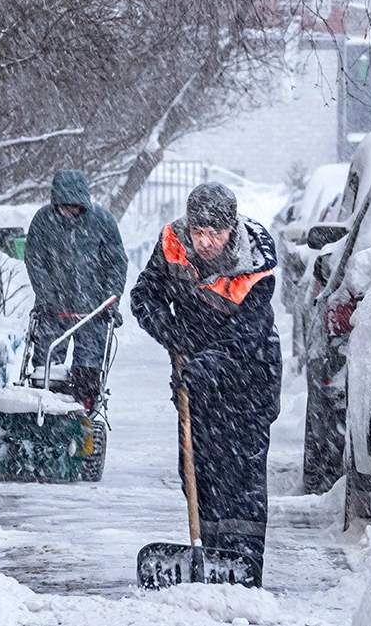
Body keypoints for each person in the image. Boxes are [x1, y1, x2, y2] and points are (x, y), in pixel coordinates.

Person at [130, 182, 282, 585]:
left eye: (215, 233)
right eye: (199, 232)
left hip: (249, 381)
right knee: (200, 468)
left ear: (231, 228)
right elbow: (145, 294)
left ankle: (243, 566)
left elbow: (244, 340)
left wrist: (203, 368)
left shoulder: (254, 265)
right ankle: (210, 557)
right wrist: (171, 331)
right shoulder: (174, 244)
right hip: (195, 377)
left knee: (241, 479)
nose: (206, 241)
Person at [24, 170, 127, 410]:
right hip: (53, 310)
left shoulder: (102, 221)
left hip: (93, 311)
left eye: (75, 207)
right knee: (45, 369)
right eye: (65, 207)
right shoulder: (43, 221)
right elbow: (35, 260)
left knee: (88, 370)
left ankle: (85, 411)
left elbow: (116, 263)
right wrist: (47, 296)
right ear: (56, 203)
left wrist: (110, 300)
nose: (70, 212)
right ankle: (45, 410)